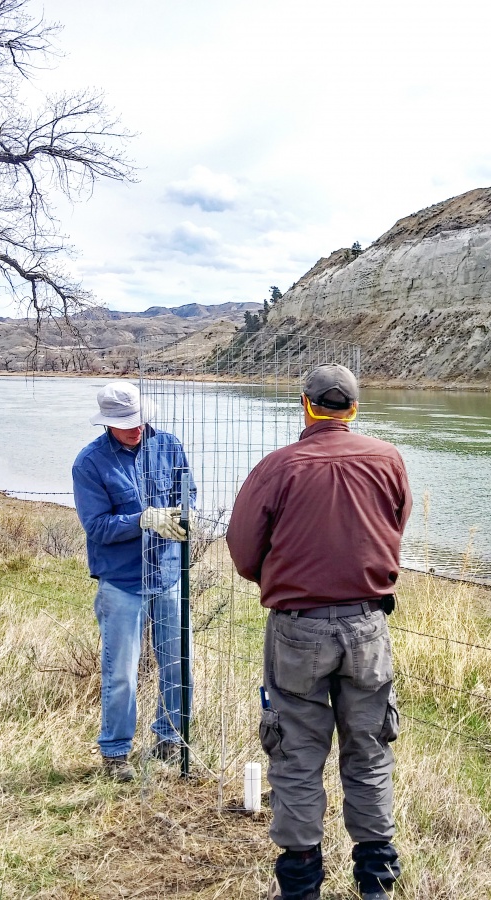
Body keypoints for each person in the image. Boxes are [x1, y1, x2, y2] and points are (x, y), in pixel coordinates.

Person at [227, 364, 412, 900]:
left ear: (304, 405)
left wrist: (287, 580)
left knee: (296, 753)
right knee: (370, 747)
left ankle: (302, 882)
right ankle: (376, 880)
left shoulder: (278, 467)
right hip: (367, 624)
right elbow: (393, 531)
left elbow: (243, 551)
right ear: (353, 409)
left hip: (298, 628)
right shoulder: (388, 460)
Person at [72, 381, 195, 782]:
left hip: (169, 575)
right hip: (123, 582)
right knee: (121, 672)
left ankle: (169, 738)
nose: (136, 428)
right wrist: (141, 520)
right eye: (125, 423)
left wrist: (183, 514)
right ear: (106, 424)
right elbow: (96, 526)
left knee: (178, 662)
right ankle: (116, 754)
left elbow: (188, 491)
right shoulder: (89, 464)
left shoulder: (169, 446)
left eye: (140, 420)